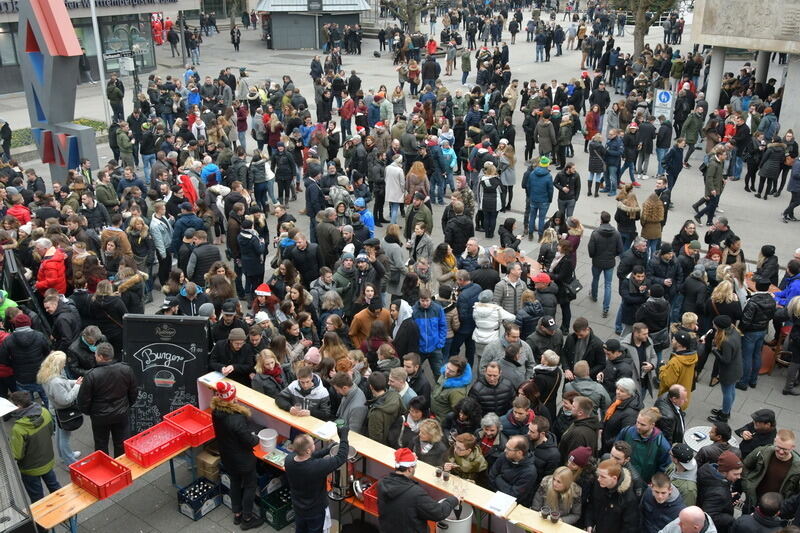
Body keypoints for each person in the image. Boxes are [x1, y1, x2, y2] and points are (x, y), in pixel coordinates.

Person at [210, 381, 264, 530]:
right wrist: (257, 437)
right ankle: (247, 518)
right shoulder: (236, 419)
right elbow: (250, 441)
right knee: (250, 485)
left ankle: (237, 514)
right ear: (231, 398)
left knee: (234, 482)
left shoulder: (216, 412)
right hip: (243, 460)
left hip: (227, 456)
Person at [285, 424, 351, 533]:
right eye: (312, 445)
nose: (314, 446)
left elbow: (310, 456)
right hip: (315, 511)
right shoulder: (316, 467)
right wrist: (344, 437)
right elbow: (341, 457)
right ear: (307, 451)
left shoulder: (289, 460)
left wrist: (326, 450)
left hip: (298, 508)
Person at [76, 342, 137, 458]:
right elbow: (133, 393)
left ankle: (105, 469)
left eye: (95, 354)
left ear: (100, 357)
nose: (94, 356)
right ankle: (120, 467)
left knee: (101, 445)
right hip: (121, 414)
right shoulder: (126, 369)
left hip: (100, 417)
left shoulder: (91, 375)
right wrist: (126, 405)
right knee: (121, 444)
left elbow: (83, 401)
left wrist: (92, 412)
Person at [377, 448, 459, 533]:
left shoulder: (382, 483)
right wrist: (454, 499)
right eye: (414, 467)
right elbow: (439, 512)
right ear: (410, 469)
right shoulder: (415, 494)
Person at [9, 390, 61, 503]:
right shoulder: (44, 412)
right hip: (48, 460)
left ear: (19, 406)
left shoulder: (18, 429)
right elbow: (51, 430)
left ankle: (42, 520)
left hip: (30, 468)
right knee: (55, 487)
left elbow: (17, 454)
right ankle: (66, 511)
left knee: (37, 498)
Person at [37, 351, 82, 466]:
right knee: (65, 437)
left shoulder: (48, 373)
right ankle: (70, 462)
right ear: (58, 364)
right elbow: (66, 399)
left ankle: (65, 456)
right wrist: (76, 387)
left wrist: (75, 382)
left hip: (55, 409)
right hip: (62, 410)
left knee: (59, 434)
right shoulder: (55, 382)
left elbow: (64, 383)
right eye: (63, 363)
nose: (65, 364)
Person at [741, 429, 800, 506]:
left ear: (792, 447)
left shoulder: (798, 467)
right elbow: (745, 465)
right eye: (778, 447)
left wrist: (787, 506)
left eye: (785, 449)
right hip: (753, 501)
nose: (781, 452)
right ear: (775, 441)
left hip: (776, 507)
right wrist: (747, 486)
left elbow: (797, 492)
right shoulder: (762, 452)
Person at [617, 407, 672, 482]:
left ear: (652, 425)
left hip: (643, 483)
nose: (638, 426)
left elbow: (664, 469)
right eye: (637, 422)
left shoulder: (662, 445)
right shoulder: (626, 432)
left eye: (643, 425)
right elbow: (616, 450)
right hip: (622, 477)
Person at [584, 459, 640, 533]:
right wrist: (589, 524)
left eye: (603, 477)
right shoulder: (599, 484)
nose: (598, 479)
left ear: (614, 478)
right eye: (598, 475)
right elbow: (591, 504)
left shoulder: (629, 498)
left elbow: (629, 527)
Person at [707, 315, 743, 424]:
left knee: (727, 392)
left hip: (729, 371)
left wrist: (714, 350)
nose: (713, 325)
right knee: (731, 390)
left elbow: (726, 360)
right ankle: (726, 410)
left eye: (715, 324)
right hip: (737, 367)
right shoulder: (734, 331)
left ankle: (724, 416)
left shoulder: (726, 341)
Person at [696, 450, 743, 532]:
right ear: (724, 472)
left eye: (740, 473)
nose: (739, 477)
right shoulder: (719, 493)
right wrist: (730, 519)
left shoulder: (707, 471)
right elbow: (709, 516)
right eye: (735, 474)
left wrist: (727, 497)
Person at [588, 211, 623, 317]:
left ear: (601, 220)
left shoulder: (595, 233)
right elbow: (620, 249)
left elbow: (591, 249)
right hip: (609, 262)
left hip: (597, 261)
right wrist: (613, 255)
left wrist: (593, 256)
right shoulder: (616, 233)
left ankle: (594, 296)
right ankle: (606, 308)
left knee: (595, 279)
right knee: (608, 285)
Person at [489, 435, 538, 507]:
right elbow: (491, 476)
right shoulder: (504, 456)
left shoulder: (529, 472)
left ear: (519, 453)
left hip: (512, 506)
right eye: (506, 447)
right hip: (494, 495)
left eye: (508, 449)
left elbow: (514, 495)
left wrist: (498, 478)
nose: (505, 450)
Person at [558, 396, 602, 460]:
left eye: (573, 406)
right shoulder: (582, 423)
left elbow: (573, 458)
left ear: (580, 413)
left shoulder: (578, 434)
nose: (571, 408)